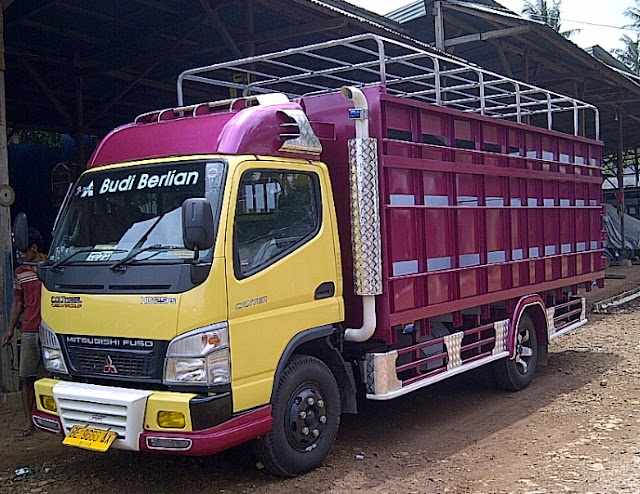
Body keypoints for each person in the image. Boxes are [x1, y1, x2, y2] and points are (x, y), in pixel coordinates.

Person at [1, 227, 47, 436]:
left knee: (52, 377)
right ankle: (30, 423)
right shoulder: (20, 273)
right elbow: (17, 303)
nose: (20, 256)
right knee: (26, 377)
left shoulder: (51, 265)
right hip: (29, 328)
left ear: (34, 249)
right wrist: (10, 329)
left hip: (50, 329)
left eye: (23, 252)